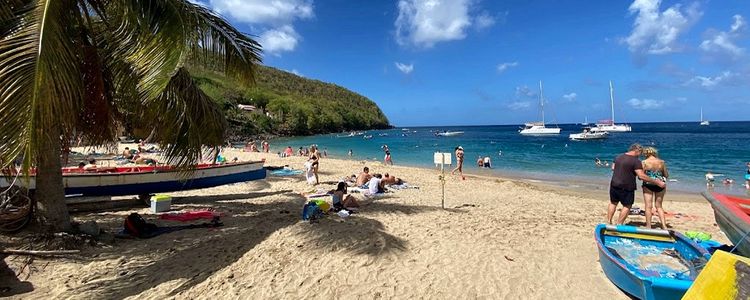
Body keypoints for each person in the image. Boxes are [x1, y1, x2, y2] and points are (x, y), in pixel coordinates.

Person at [607, 144, 665, 225]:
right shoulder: (635, 161)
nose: (640, 155)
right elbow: (641, 176)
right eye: (640, 153)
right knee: (627, 205)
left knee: (613, 203)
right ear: (637, 151)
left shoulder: (618, 156)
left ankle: (609, 221)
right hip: (627, 186)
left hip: (614, 184)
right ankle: (619, 224)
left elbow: (613, 168)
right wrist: (657, 182)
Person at [641, 147, 669, 229]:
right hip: (660, 185)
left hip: (648, 185)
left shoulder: (644, 162)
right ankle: (664, 225)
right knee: (659, 206)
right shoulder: (661, 162)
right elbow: (666, 175)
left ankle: (648, 226)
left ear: (646, 154)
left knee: (648, 206)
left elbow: (641, 175)